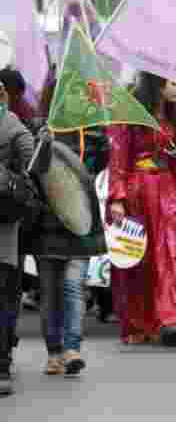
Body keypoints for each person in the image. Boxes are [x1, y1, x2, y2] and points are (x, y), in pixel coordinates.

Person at [25, 80, 108, 378]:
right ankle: (54, 352)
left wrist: (101, 135)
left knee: (73, 286)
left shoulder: (93, 131)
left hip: (81, 222)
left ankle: (73, 348)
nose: (73, 99)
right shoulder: (37, 128)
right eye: (67, 93)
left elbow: (100, 164)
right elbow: (30, 172)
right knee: (48, 291)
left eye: (77, 93)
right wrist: (42, 144)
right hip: (47, 223)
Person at [106, 73, 176, 346]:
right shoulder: (129, 113)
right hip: (137, 192)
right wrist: (117, 198)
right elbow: (118, 156)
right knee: (138, 257)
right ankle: (140, 322)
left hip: (167, 191)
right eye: (172, 83)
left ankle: (169, 319)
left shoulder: (174, 116)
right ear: (157, 84)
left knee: (168, 253)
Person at [0, 87, 36, 396]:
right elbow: (34, 164)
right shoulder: (13, 124)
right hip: (6, 226)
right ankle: (2, 363)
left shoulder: (12, 125)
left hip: (4, 225)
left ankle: (1, 363)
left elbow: (33, 161)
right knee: (4, 294)